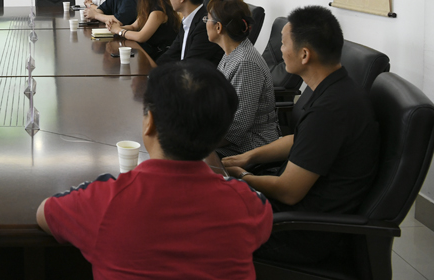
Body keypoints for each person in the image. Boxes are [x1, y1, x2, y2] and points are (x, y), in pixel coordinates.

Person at [36, 60, 272, 278]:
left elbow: (45, 213)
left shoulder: (105, 200)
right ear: (219, 133)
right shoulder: (247, 203)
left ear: (149, 122)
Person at [223, 6, 379, 264]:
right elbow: (299, 139)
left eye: (283, 44)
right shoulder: (335, 87)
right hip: (292, 212)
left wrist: (242, 177)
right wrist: (246, 158)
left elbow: (288, 191)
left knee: (201, 220)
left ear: (305, 54)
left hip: (298, 231)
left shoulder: (331, 110)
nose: (280, 50)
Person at [205, 0, 279, 157]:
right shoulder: (232, 52)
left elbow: (238, 125)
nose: (205, 23)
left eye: (207, 19)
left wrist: (198, 142)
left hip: (251, 142)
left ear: (218, 27)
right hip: (227, 134)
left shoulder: (245, 63)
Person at [107, 0, 179, 61]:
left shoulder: (158, 10)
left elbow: (141, 37)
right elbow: (134, 27)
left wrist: (119, 31)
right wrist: (115, 27)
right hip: (151, 52)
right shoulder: (147, 5)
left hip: (163, 57)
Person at [155, 0, 223, 66]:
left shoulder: (205, 25)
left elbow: (190, 64)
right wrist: (153, 69)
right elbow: (172, 53)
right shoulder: (187, 20)